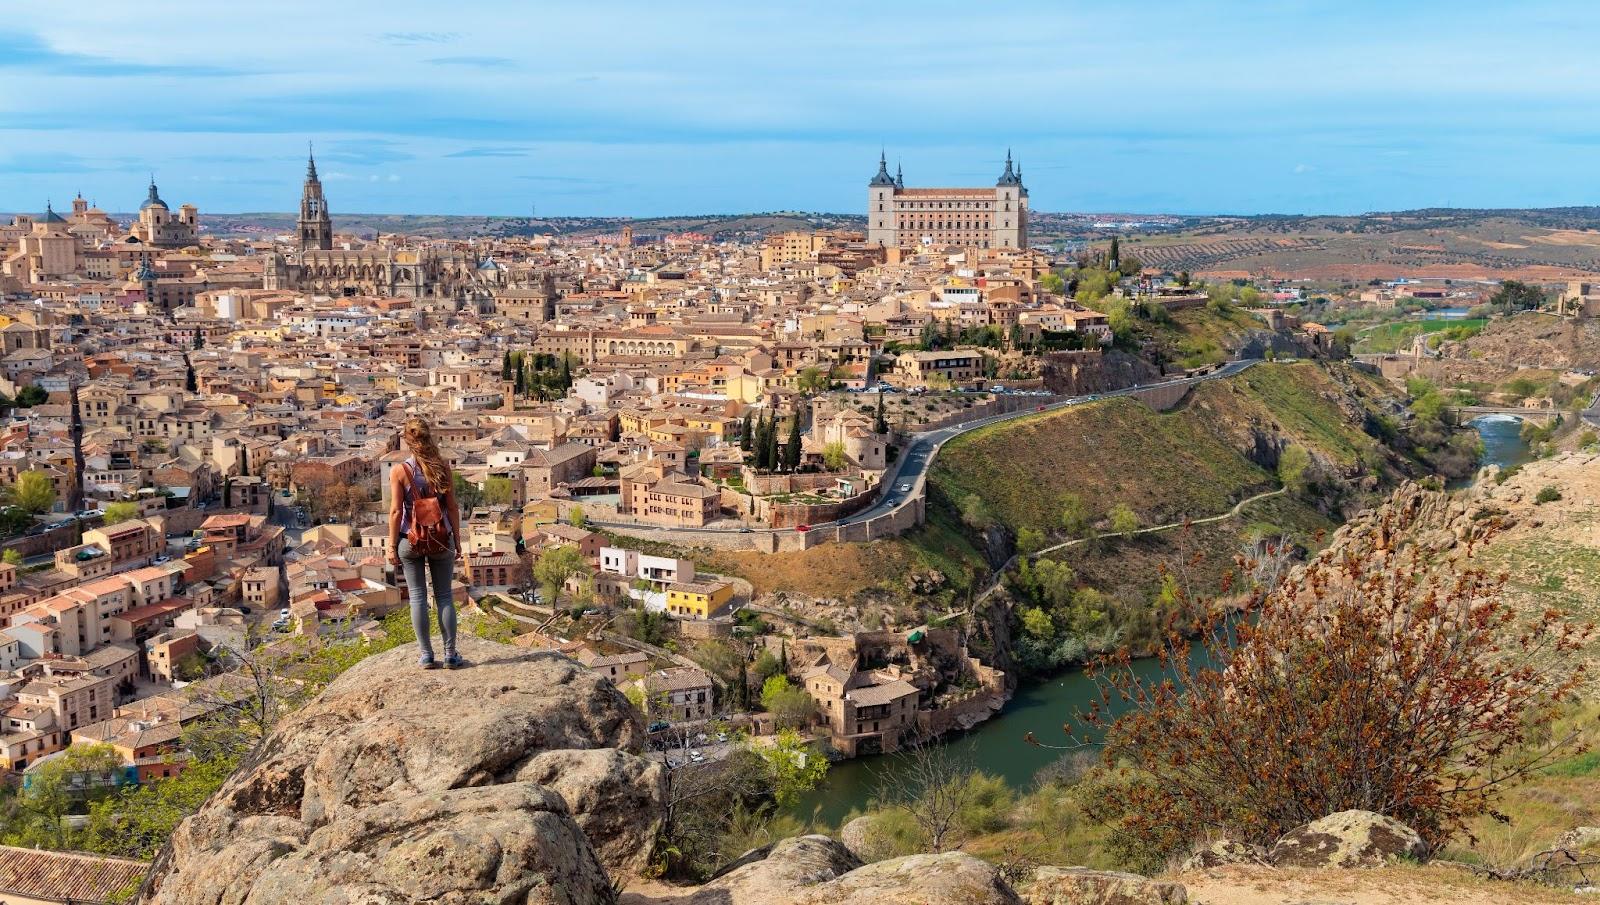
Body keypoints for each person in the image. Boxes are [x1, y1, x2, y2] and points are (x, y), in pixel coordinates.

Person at [388, 416, 466, 669]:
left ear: (408, 441)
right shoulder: (443, 467)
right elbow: (452, 507)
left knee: (418, 597)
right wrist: (458, 539)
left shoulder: (400, 471)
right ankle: (451, 654)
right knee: (444, 596)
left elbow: (396, 512)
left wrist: (391, 547)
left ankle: (426, 655)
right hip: (442, 539)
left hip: (410, 541)